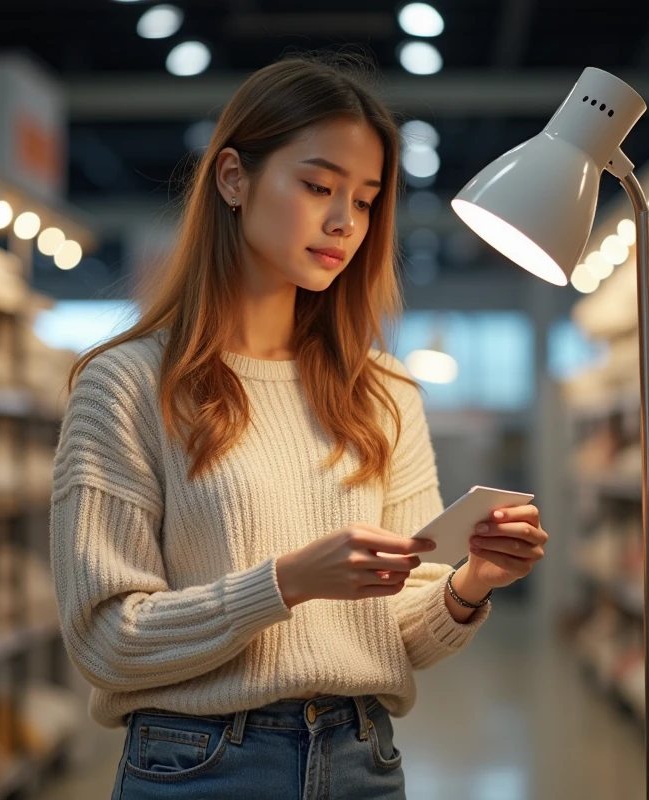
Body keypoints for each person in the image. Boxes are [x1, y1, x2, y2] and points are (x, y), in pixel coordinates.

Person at [50, 53, 548, 800]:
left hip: (363, 759)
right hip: (199, 767)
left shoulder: (383, 391)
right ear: (232, 178)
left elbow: (400, 629)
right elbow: (104, 639)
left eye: (368, 199)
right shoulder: (124, 385)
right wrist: (284, 584)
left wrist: (471, 583)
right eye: (318, 186)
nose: (344, 221)